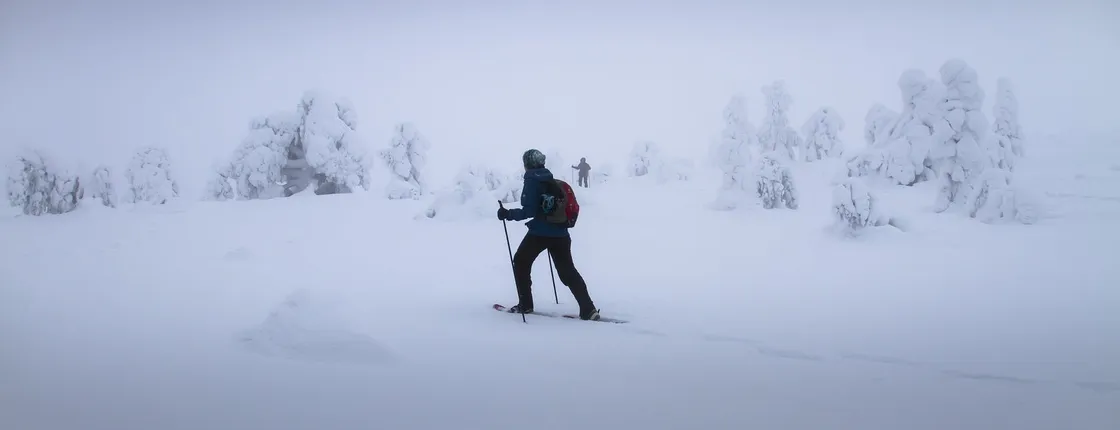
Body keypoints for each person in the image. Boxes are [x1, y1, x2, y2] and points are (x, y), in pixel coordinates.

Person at [497, 149, 599, 320]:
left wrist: (507, 214)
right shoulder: (551, 179)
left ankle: (526, 305)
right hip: (561, 234)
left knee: (521, 262)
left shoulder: (532, 181)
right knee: (568, 272)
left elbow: (528, 211)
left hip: (539, 234)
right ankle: (588, 309)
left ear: (527, 164)